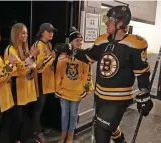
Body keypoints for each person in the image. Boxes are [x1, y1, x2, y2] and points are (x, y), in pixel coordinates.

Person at [54, 6, 153, 143]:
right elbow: (89, 56)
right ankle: (120, 140)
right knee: (107, 126)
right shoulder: (102, 40)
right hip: (100, 96)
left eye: (110, 20)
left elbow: (142, 72)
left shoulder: (135, 43)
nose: (106, 22)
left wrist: (145, 94)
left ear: (121, 23)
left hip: (118, 99)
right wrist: (71, 50)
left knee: (101, 132)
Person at [55, 27, 94, 143]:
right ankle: (63, 135)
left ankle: (70, 136)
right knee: (64, 115)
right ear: (71, 42)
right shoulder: (62, 55)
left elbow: (88, 75)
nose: (80, 43)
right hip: (64, 91)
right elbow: (58, 73)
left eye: (81, 41)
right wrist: (57, 88)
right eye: (77, 40)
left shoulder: (84, 57)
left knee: (73, 115)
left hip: (77, 92)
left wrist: (86, 90)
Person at [4, 23, 40, 143]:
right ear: (16, 34)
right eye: (23, 33)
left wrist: (30, 59)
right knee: (16, 120)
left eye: (26, 33)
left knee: (24, 119)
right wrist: (31, 57)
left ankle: (21, 139)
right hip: (17, 90)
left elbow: (32, 67)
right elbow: (21, 70)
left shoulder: (25, 49)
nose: (25, 35)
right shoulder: (10, 50)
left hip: (27, 90)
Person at [30, 23, 57, 143]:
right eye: (48, 31)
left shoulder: (49, 44)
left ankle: (40, 127)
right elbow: (39, 67)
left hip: (48, 81)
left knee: (44, 107)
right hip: (40, 81)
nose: (51, 33)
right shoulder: (37, 45)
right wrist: (51, 58)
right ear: (42, 32)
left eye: (52, 31)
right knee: (38, 108)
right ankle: (36, 132)